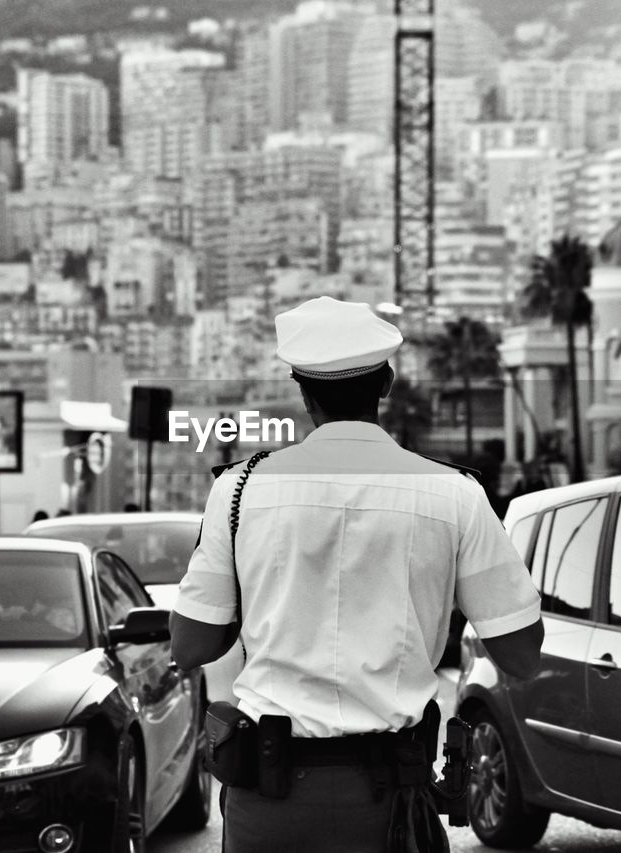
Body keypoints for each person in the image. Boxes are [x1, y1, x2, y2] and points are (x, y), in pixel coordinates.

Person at [170, 296, 543, 852]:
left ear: (302, 390)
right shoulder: (455, 495)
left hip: (270, 805)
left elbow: (191, 644)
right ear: (387, 383)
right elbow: (520, 653)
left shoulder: (239, 491)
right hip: (392, 803)